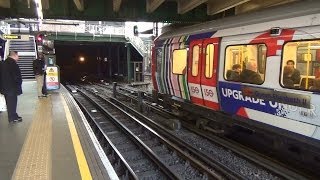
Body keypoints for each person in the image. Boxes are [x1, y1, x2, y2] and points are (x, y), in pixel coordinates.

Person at [0, 51, 22, 123]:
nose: (18, 57)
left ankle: (14, 115)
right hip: (11, 87)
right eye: (18, 56)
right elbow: (16, 76)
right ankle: (12, 118)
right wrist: (19, 83)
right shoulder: (12, 63)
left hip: (5, 87)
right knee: (12, 103)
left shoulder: (3, 63)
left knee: (10, 103)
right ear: (14, 55)